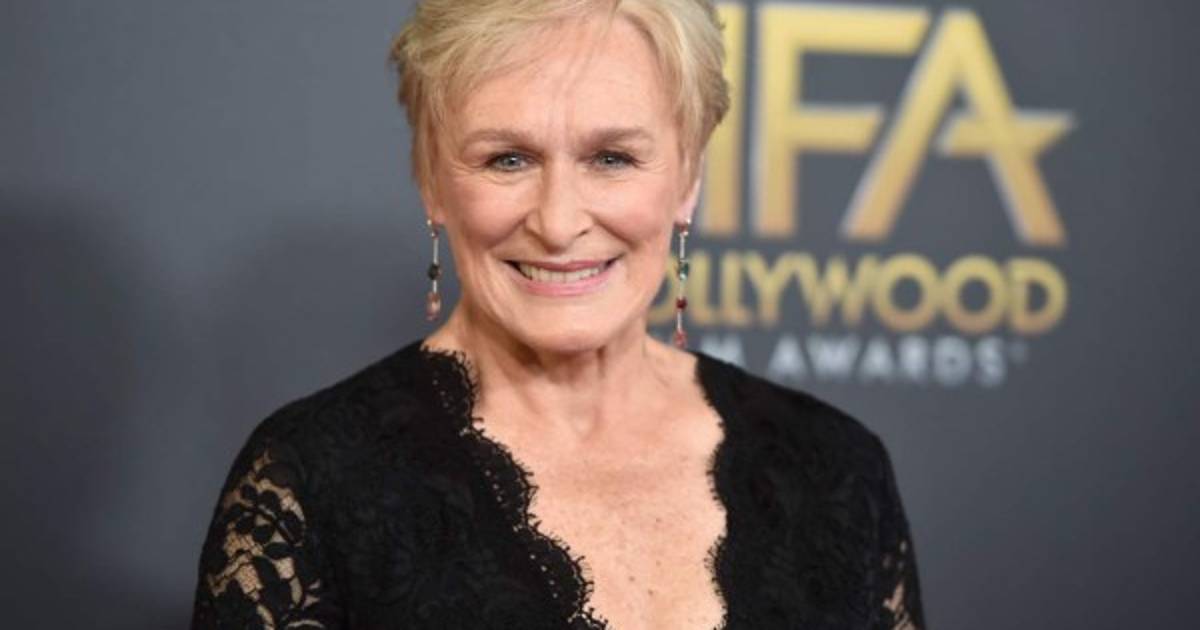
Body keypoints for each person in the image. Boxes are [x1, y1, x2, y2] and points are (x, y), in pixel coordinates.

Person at [191, 0, 924, 628]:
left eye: (612, 158)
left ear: (688, 178)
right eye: (508, 159)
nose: (559, 222)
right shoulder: (312, 481)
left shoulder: (837, 470)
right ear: (430, 179)